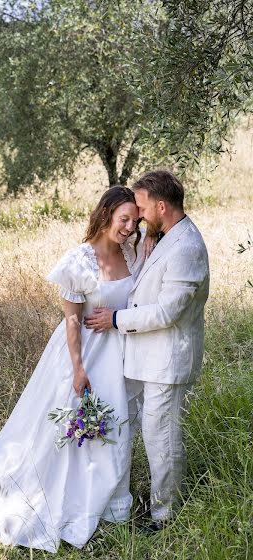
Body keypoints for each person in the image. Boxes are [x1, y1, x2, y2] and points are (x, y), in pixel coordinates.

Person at [0, 185, 146, 552]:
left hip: (121, 354)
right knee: (76, 429)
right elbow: (72, 322)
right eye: (124, 220)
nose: (129, 228)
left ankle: (112, 504)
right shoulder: (77, 262)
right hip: (86, 354)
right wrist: (78, 369)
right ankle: (68, 496)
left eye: (134, 222)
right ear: (105, 215)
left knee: (118, 424)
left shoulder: (132, 252)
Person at [85, 170, 210, 529]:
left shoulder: (186, 247)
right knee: (127, 423)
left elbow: (169, 311)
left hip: (167, 361)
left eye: (140, 208)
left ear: (160, 206)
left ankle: (163, 516)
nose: (137, 216)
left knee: (161, 436)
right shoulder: (163, 237)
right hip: (145, 357)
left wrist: (116, 319)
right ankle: (116, 496)